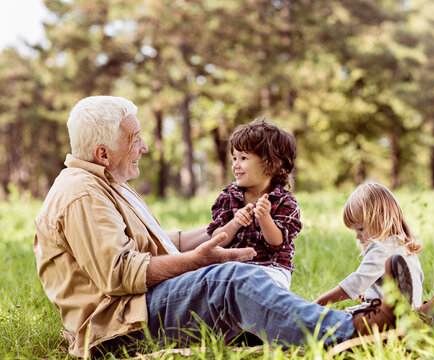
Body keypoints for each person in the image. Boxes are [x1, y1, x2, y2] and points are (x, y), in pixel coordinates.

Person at [34, 96, 414, 358]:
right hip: (118, 330)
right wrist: (199, 260)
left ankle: (390, 318)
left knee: (260, 307)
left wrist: (221, 229)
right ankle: (360, 334)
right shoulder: (82, 194)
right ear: (103, 153)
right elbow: (120, 273)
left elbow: (161, 243)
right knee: (233, 280)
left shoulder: (105, 184)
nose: (144, 148)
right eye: (134, 139)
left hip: (138, 310)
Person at [207, 117, 301, 289]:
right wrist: (234, 223)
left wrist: (264, 217)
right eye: (234, 158)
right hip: (232, 267)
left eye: (243, 158)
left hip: (270, 269)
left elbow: (277, 241)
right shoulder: (228, 196)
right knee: (211, 283)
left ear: (271, 165)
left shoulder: (285, 202)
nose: (235, 165)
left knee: (262, 291)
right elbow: (216, 240)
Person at [314, 182, 424, 308]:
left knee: (335, 318)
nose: (357, 236)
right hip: (410, 313)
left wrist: (319, 302)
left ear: (381, 218)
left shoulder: (381, 248)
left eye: (360, 229)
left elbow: (356, 283)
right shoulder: (405, 248)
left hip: (382, 315)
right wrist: (370, 292)